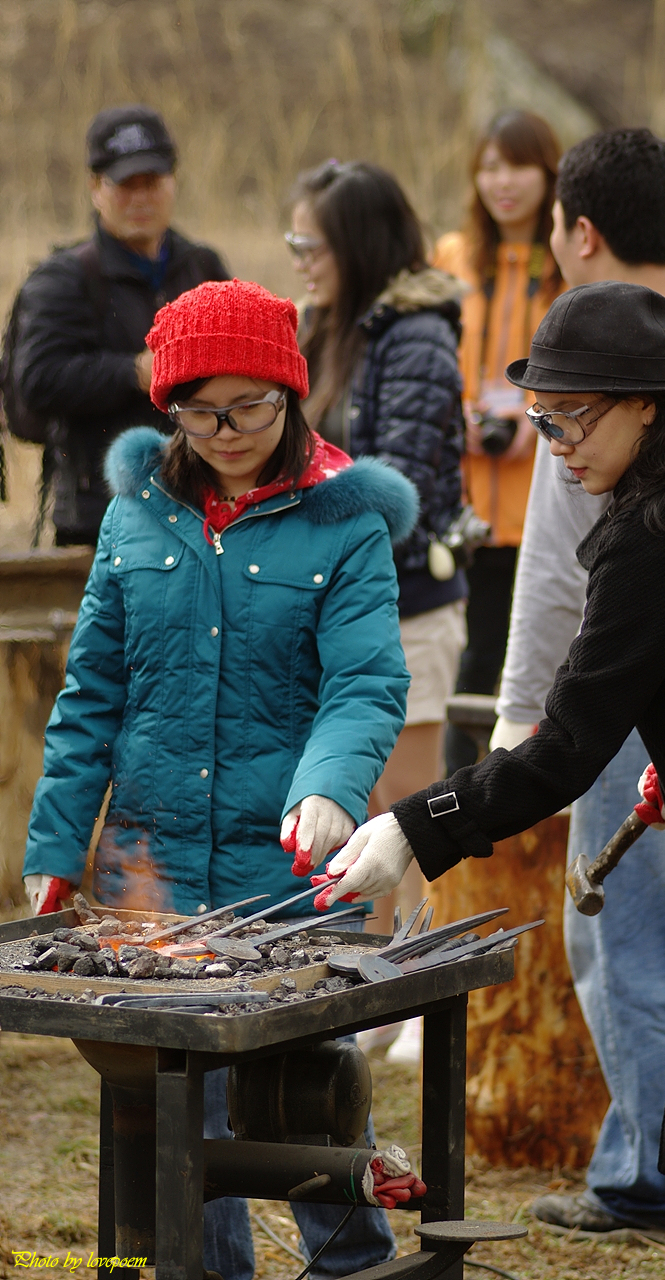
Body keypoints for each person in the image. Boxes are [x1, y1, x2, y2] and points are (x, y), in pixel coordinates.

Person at [320, 281, 665, 1280]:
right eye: (544, 419)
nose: (557, 443)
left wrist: (410, 828)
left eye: (575, 416)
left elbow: (565, 747)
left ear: (650, 401)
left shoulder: (653, 536)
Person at [22, 280, 417, 1279]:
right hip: (148, 884)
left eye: (249, 406)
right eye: (200, 410)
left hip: (281, 878)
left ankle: (349, 1265)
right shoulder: (135, 519)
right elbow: (90, 696)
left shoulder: (344, 524)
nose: (225, 430)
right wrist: (57, 845)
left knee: (304, 1116)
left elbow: (366, 684)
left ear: (291, 396)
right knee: (163, 1133)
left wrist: (328, 785)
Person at [489, 128, 665, 1235]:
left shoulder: (590, 373)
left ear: (580, 230)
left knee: (623, 936)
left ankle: (655, 1168)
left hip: (619, 691)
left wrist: (524, 716)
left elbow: (560, 565)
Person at [288, 159, 467, 933]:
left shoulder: (416, 337)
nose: (299, 261)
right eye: (293, 243)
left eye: (312, 245)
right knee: (351, 809)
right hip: (335, 610)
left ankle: (418, 987)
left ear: (357, 246)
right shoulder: (317, 326)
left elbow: (402, 490)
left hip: (410, 606)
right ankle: (367, 978)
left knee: (411, 810)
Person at [12, 103, 228, 546]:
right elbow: (37, 379)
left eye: (152, 182)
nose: (141, 198)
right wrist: (133, 372)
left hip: (205, 504)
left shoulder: (203, 268)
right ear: (95, 187)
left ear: (173, 182)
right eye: (125, 185)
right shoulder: (63, 279)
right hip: (102, 514)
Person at [432, 110, 565, 773]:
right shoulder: (451, 259)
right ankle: (461, 801)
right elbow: (428, 362)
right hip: (470, 507)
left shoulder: (570, 261)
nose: (501, 182)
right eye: (488, 167)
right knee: (475, 662)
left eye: (517, 166)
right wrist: (458, 417)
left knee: (545, 661)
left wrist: (534, 420)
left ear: (549, 173)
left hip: (544, 499)